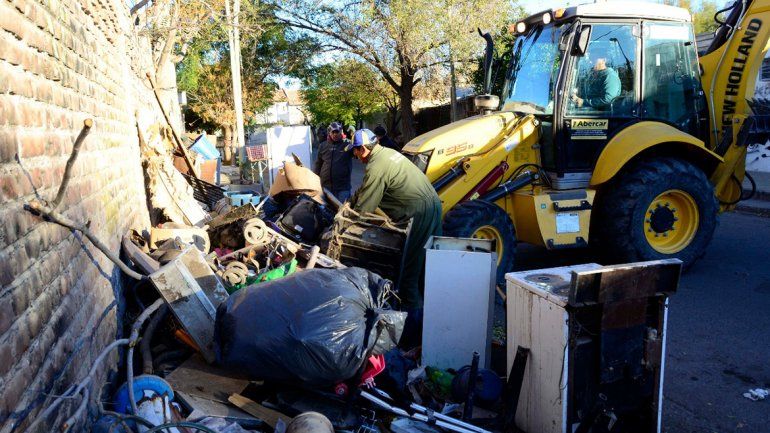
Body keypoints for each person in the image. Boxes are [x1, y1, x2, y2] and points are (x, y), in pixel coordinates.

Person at [347, 129, 442, 348]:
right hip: (433, 207)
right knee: (426, 272)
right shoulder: (386, 153)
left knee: (408, 275)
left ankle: (410, 339)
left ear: (363, 150)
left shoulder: (376, 165)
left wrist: (350, 224)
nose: (355, 158)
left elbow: (364, 209)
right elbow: (365, 189)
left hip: (419, 214)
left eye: (355, 152)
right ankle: (433, 327)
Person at [313, 122, 353, 202]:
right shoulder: (323, 146)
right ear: (329, 133)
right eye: (333, 132)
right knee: (325, 212)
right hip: (325, 187)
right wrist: (314, 179)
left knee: (342, 212)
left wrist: (353, 136)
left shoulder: (348, 145)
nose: (335, 134)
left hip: (342, 188)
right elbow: (318, 164)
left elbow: (357, 153)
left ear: (341, 132)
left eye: (337, 132)